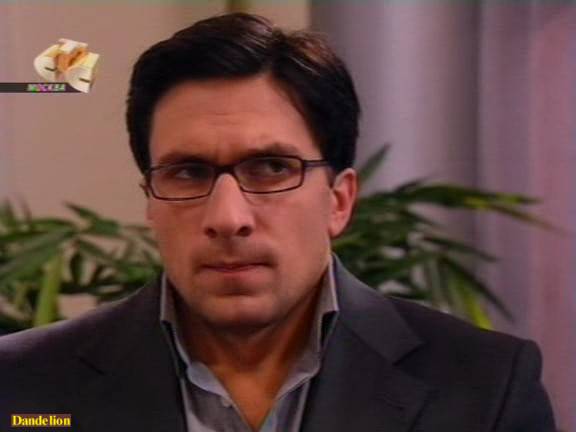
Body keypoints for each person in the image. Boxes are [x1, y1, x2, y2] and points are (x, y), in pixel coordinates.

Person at [0, 12, 555, 432]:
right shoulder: (21, 385)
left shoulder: (485, 388)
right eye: (188, 173)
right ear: (150, 201)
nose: (227, 218)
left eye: (270, 168)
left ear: (339, 201)